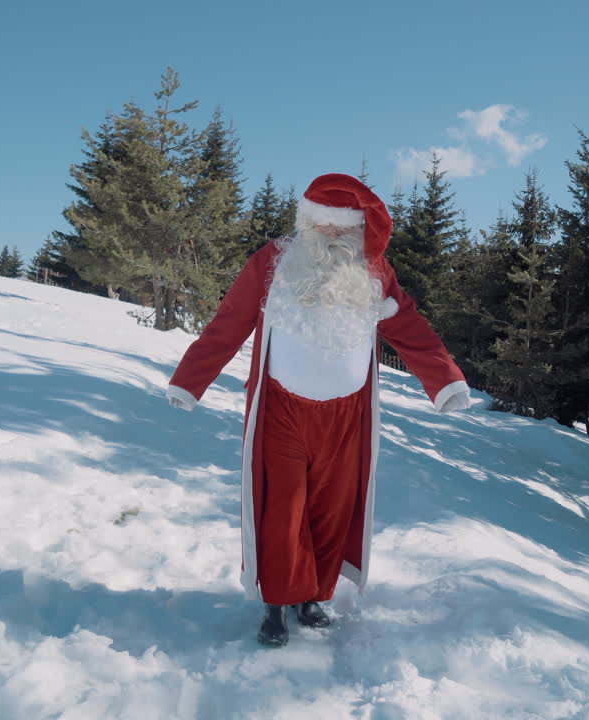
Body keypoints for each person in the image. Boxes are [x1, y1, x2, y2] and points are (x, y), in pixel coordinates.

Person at [166, 173, 471, 647]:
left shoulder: (375, 273)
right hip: (283, 410)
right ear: (305, 222)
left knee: (332, 509)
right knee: (283, 508)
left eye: (341, 228)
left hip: (346, 417)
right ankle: (276, 607)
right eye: (321, 224)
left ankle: (313, 597)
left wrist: (445, 381)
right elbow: (229, 324)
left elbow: (409, 327)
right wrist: (190, 382)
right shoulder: (273, 263)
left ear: (356, 230)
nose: (330, 235)